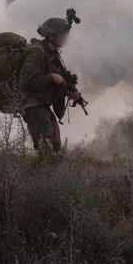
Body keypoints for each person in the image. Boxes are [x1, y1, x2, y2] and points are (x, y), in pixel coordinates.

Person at [18, 14, 83, 157]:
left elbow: (58, 83)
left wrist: (70, 92)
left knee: (56, 147)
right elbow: (26, 81)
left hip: (43, 104)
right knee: (46, 151)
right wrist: (52, 77)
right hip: (32, 104)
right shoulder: (36, 51)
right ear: (52, 35)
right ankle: (41, 178)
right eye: (62, 34)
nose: (65, 37)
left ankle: (48, 177)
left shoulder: (53, 54)